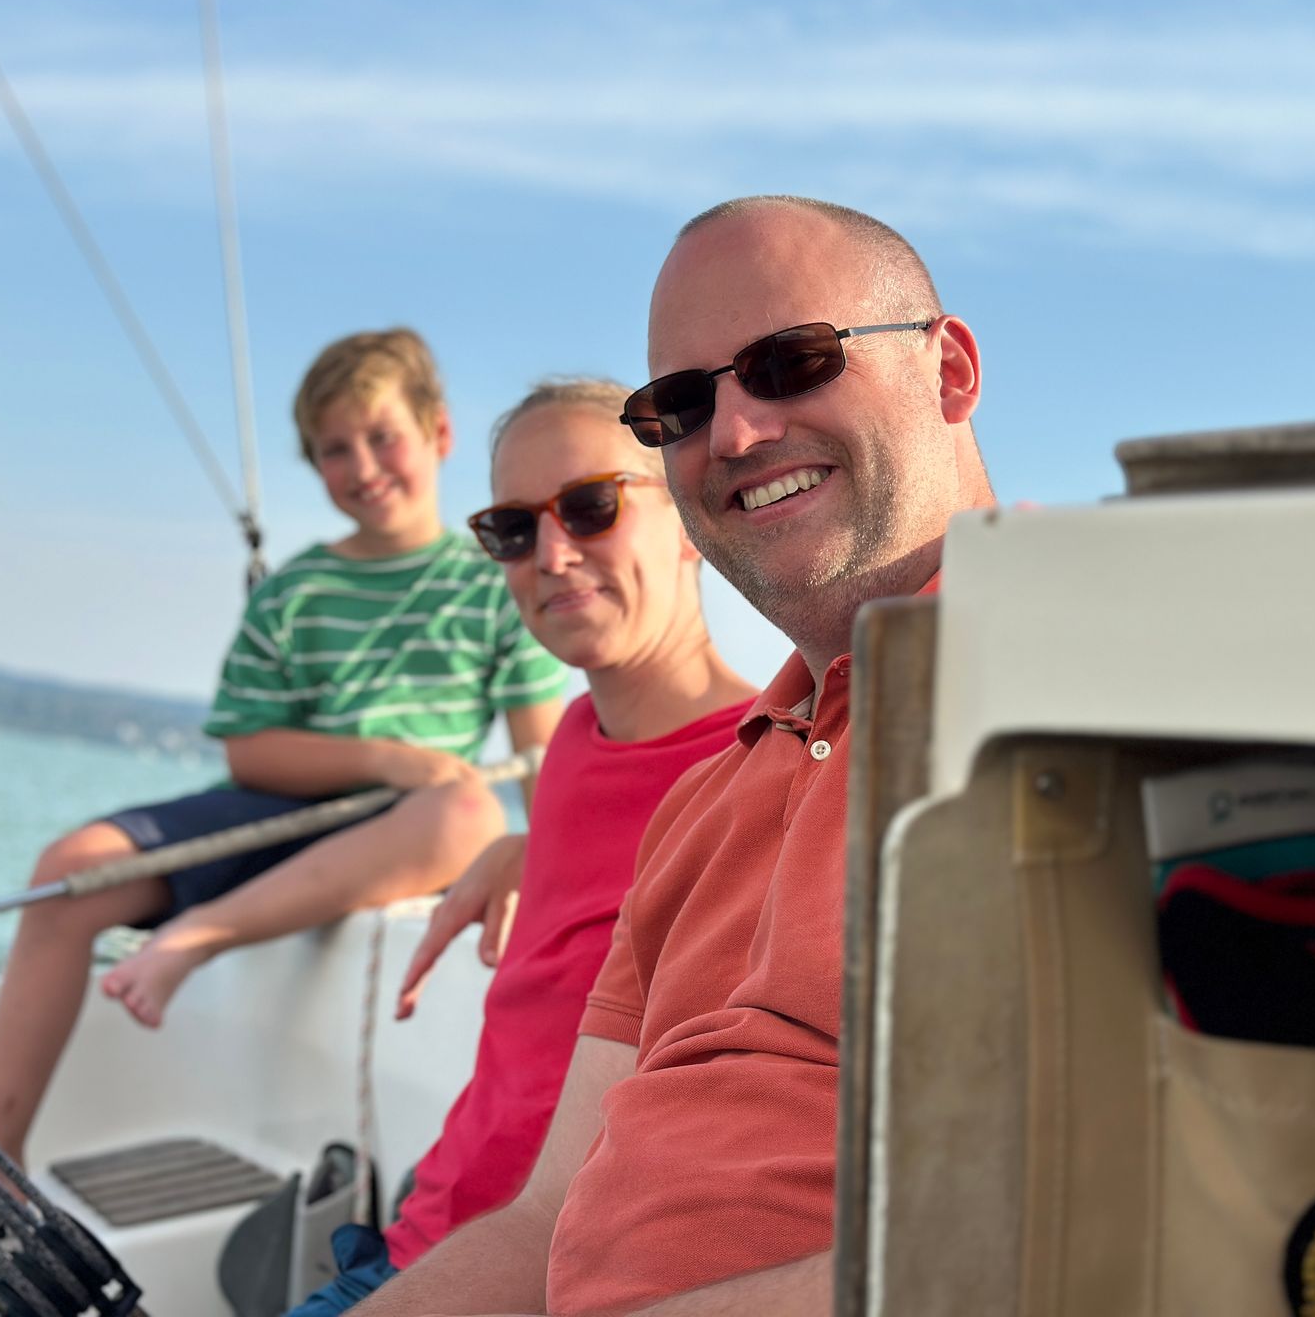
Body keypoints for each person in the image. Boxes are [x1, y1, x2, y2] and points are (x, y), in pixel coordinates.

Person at [352, 195, 993, 1315]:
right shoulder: (705, 802)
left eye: (792, 362)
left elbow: (1086, 1232)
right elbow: (547, 1222)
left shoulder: (1083, 706)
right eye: (684, 404)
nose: (737, 433)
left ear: (947, 373)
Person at [0, 327, 567, 1254]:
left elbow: (543, 761)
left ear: (437, 435)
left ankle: (194, 939)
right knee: (67, 870)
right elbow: (251, 752)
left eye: (382, 437)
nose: (362, 466)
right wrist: (387, 756)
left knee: (470, 808)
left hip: (411, 832)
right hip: (291, 809)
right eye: (333, 450)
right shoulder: (297, 590)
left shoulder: (495, 578)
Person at [281, 377, 759, 1316]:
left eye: (591, 507)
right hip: (428, 1226)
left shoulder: (759, 767)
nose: (552, 554)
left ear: (686, 513)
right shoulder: (575, 742)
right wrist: (519, 852)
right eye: (511, 528)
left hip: (542, 1274)